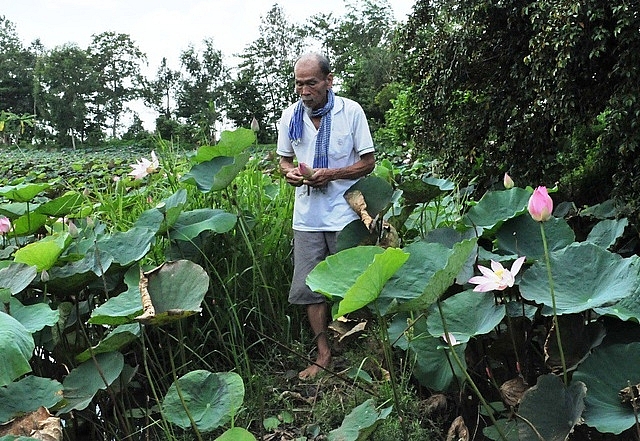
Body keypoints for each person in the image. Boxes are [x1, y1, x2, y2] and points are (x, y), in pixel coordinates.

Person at [276, 52, 375, 380]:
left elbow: (368, 162)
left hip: (345, 213)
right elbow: (284, 161)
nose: (304, 91)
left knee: (354, 285)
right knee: (310, 290)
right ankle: (324, 354)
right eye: (299, 84)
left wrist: (331, 174)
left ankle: (361, 351)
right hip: (307, 217)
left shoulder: (351, 112)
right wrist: (291, 173)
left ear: (329, 80)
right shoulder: (291, 117)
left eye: (311, 83)